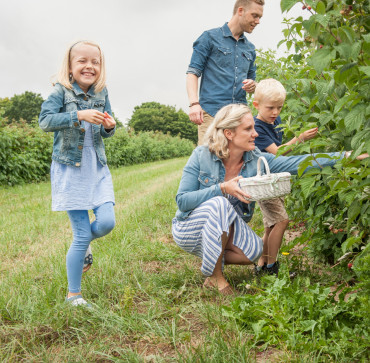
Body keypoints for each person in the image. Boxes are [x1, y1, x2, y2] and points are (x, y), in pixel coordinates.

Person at [172, 103, 365, 295]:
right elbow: (182, 200)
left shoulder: (256, 160)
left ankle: (211, 254)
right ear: (229, 134)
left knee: (255, 252)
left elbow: (298, 163)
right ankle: (215, 277)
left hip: (223, 230)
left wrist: (349, 156)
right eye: (248, 129)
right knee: (219, 202)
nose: (255, 134)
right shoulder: (201, 155)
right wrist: (222, 188)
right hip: (189, 227)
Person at [39, 40, 116, 307]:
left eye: (95, 61)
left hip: (97, 167)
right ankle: (74, 295)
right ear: (70, 66)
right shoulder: (61, 91)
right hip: (70, 170)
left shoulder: (102, 92)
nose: (89, 66)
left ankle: (83, 246)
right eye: (82, 60)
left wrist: (109, 126)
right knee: (81, 234)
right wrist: (78, 115)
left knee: (107, 222)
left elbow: (109, 125)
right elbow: (45, 121)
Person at [252, 78, 318, 276]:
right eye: (271, 108)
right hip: (265, 182)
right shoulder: (257, 128)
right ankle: (272, 267)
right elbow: (277, 153)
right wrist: (300, 139)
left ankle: (261, 265)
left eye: (279, 108)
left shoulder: (274, 121)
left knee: (270, 225)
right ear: (256, 105)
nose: (276, 113)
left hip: (275, 180)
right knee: (281, 221)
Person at [186, 0, 264, 145]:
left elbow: (252, 81)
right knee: (208, 161)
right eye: (255, 15)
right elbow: (192, 73)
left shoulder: (250, 49)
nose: (258, 21)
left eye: (260, 17)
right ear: (240, 11)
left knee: (239, 163)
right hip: (211, 114)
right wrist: (194, 104)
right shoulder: (209, 38)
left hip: (239, 117)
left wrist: (253, 85)